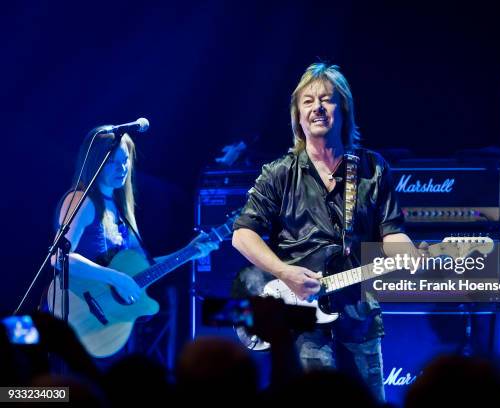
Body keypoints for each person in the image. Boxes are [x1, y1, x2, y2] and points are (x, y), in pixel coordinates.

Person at [232, 62, 422, 401]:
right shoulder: (279, 173)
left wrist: (406, 251)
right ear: (298, 116)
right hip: (300, 316)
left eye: (327, 99)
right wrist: (284, 272)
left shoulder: (372, 168)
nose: (317, 107)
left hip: (358, 314)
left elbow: (392, 231)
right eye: (308, 101)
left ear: (343, 109)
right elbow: (242, 234)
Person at [48, 129, 217, 363]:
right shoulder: (82, 200)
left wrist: (189, 251)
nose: (122, 168)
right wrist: (116, 278)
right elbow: (59, 258)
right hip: (76, 314)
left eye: (125, 160)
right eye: (113, 162)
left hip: (109, 327)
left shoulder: (122, 209)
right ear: (97, 162)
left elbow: (144, 268)